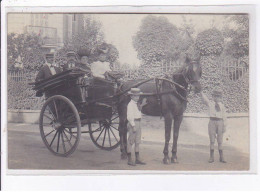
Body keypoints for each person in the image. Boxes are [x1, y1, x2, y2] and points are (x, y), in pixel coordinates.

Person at [200, 89, 227, 163]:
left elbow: (224, 116)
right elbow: (205, 99)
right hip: (212, 122)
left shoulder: (222, 106)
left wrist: (224, 126)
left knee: (220, 141)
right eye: (215, 96)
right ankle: (211, 157)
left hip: (220, 122)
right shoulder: (210, 104)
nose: (216, 98)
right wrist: (201, 92)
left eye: (218, 97)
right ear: (212, 97)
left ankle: (221, 157)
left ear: (220, 98)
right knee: (212, 141)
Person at [126, 88, 147, 166]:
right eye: (135, 96)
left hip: (138, 122)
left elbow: (138, 110)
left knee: (137, 142)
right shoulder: (130, 104)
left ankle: (137, 158)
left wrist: (142, 105)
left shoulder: (137, 103)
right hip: (133, 123)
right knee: (131, 141)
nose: (137, 97)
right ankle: (129, 159)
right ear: (131, 96)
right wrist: (133, 125)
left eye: (138, 96)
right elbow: (129, 116)